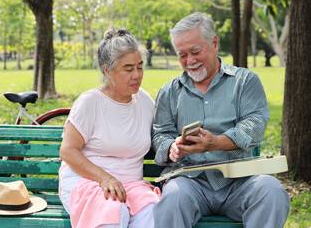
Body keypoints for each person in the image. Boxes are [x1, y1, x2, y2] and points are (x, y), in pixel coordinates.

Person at [152, 12, 290, 228]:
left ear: (214, 43)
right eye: (182, 55)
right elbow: (161, 133)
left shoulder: (245, 81)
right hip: (190, 182)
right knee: (173, 198)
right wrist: (171, 147)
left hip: (240, 181)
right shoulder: (169, 92)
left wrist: (216, 142)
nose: (190, 61)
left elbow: (254, 124)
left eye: (195, 51)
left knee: (271, 191)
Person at [59, 27, 160, 228]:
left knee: (155, 215)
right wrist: (105, 178)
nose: (137, 75)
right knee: (113, 213)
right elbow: (68, 151)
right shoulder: (91, 102)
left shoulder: (145, 102)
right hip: (89, 182)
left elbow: (162, 134)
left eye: (140, 67)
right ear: (107, 71)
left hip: (133, 187)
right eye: (128, 69)